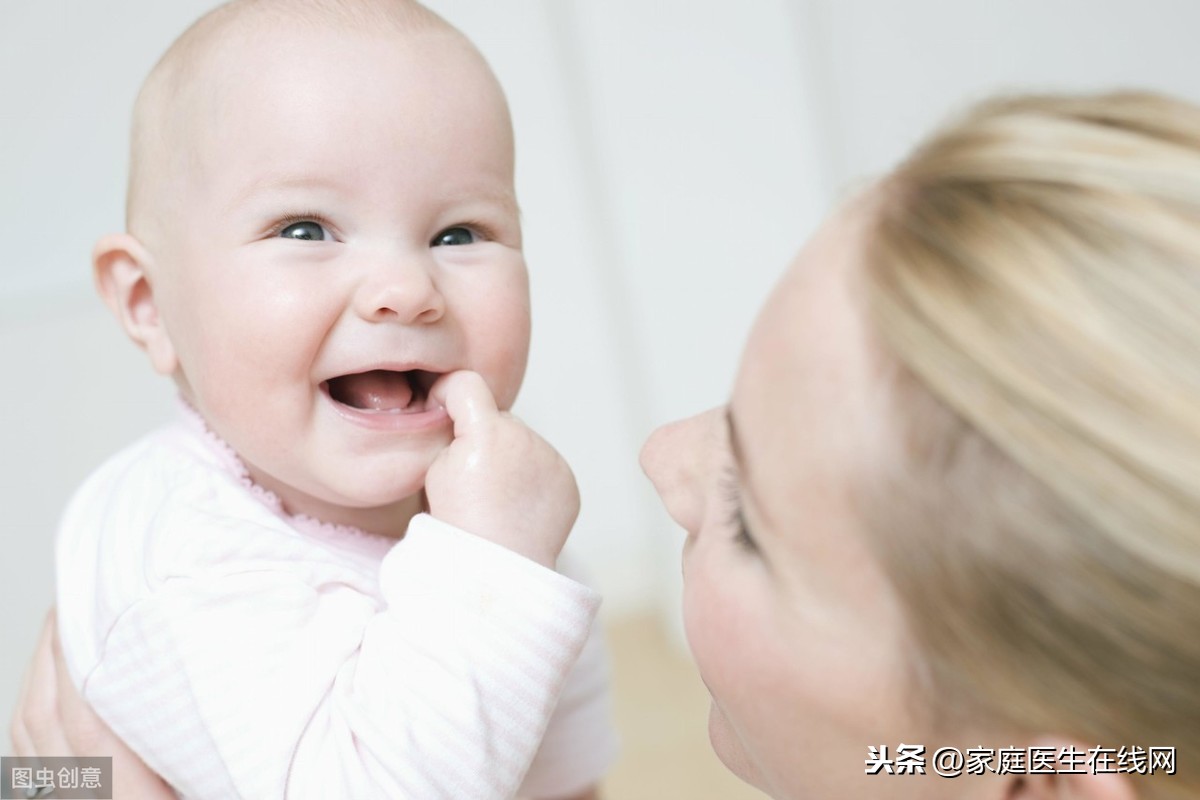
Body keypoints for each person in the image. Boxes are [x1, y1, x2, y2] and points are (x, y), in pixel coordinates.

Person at [12, 91, 1199, 798]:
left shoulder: (481, 556)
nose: (658, 458)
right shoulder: (174, 543)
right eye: (305, 227)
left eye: (747, 514)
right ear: (146, 302)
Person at [21, 0, 616, 798]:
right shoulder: (187, 555)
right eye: (304, 230)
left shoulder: (483, 511)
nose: (407, 291)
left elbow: (555, 772)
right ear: (148, 303)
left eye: (459, 233)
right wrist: (499, 570)